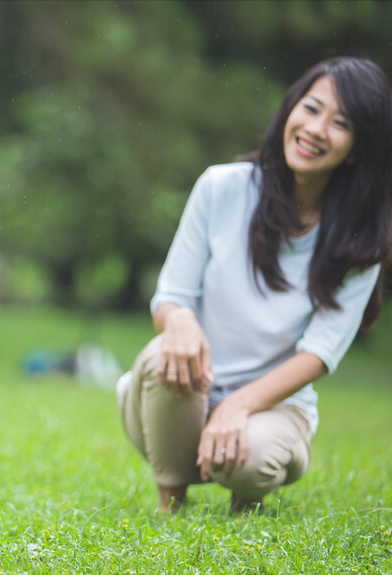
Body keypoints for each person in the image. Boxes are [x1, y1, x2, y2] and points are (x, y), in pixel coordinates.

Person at [117, 57, 392, 513]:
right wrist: (180, 321)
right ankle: (173, 503)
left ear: (360, 147)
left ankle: (245, 493)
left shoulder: (361, 240)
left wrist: (240, 406)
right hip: (190, 392)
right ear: (290, 109)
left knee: (251, 462)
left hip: (276, 408)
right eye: (311, 108)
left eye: (340, 122)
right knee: (163, 351)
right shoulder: (221, 188)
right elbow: (171, 297)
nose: (316, 129)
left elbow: (320, 352)